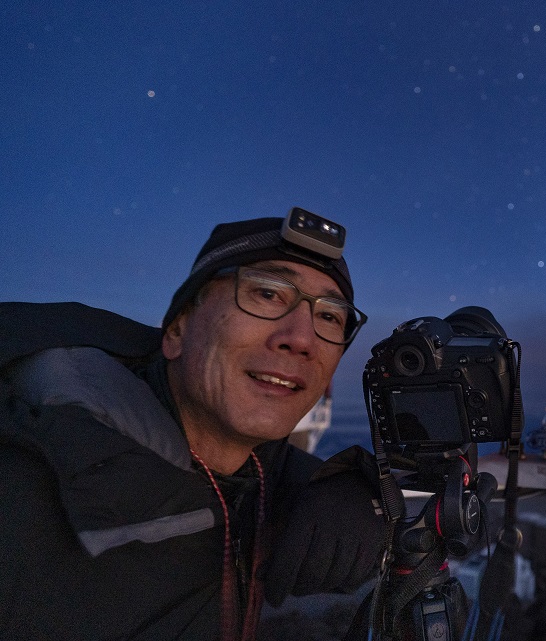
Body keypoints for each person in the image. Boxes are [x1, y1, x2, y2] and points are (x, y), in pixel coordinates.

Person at [0, 213, 388, 640]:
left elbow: (274, 464)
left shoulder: (244, 470)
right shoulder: (22, 491)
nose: (302, 337)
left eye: (331, 317)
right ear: (177, 331)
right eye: (266, 293)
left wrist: (354, 487)